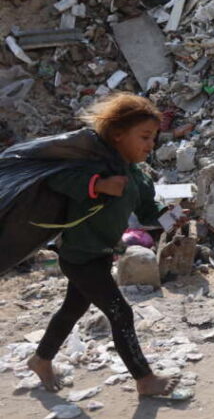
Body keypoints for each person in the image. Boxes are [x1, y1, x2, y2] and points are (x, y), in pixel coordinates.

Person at [26, 93, 179, 397]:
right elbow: (57, 180)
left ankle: (40, 359)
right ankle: (145, 379)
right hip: (78, 256)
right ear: (118, 134)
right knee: (121, 313)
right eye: (145, 137)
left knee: (72, 309)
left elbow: (149, 213)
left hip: (100, 256)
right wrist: (97, 185)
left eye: (154, 138)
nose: (150, 145)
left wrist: (172, 219)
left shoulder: (137, 177)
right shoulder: (94, 166)